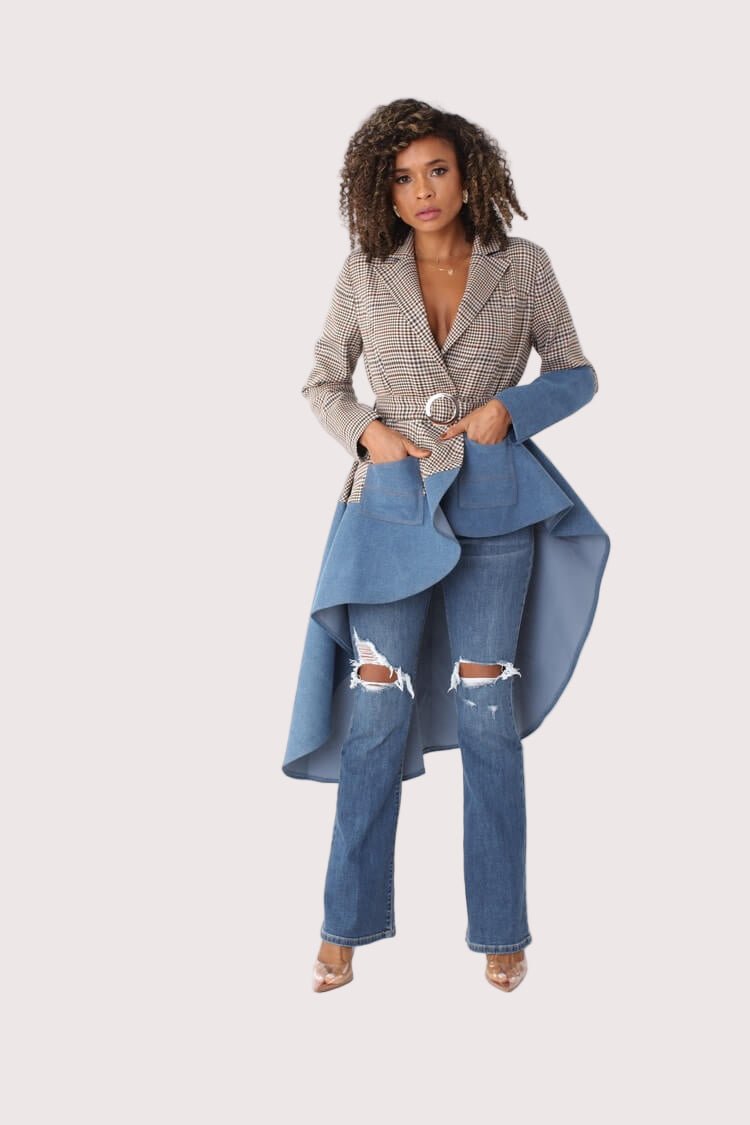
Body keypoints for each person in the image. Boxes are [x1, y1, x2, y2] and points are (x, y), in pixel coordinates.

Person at [281, 98, 610, 993]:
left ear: (469, 177)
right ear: (381, 190)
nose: (421, 191)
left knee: (486, 712)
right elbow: (322, 379)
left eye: (436, 170)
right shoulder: (365, 270)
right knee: (375, 709)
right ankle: (345, 924)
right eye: (401, 177)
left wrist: (512, 408)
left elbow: (577, 372)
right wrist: (366, 433)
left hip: (495, 511)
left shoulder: (523, 265)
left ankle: (502, 926)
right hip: (390, 508)